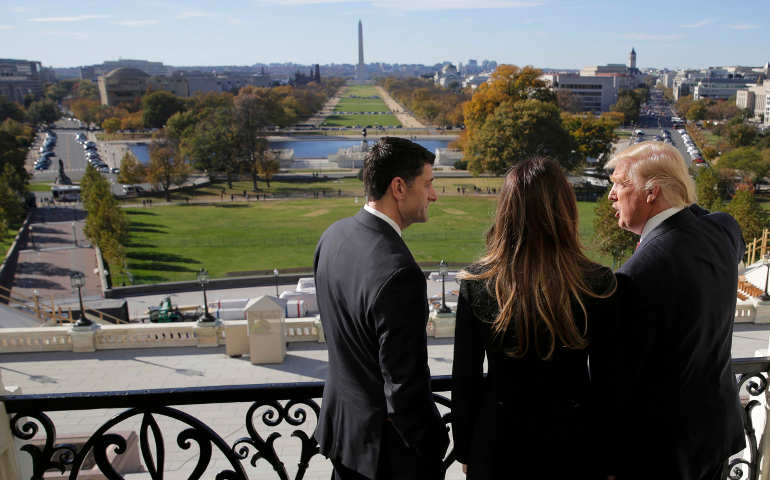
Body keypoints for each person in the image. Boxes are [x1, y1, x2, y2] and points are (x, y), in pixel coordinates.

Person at [451, 156, 618, 479]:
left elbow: (465, 382)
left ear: (507, 211)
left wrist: (466, 450)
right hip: (575, 444)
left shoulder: (477, 283)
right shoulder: (598, 283)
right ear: (565, 209)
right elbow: (609, 384)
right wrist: (610, 459)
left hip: (498, 444)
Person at [606, 141, 745, 479]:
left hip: (661, 454)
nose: (611, 194)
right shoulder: (723, 231)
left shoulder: (636, 274)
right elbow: (698, 217)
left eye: (620, 183)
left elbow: (620, 381)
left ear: (652, 193)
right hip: (715, 436)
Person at [314, 137, 449, 480]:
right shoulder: (400, 273)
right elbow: (404, 387)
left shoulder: (333, 236)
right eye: (429, 184)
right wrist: (433, 443)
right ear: (399, 187)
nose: (433, 195)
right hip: (387, 456)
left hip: (343, 436)